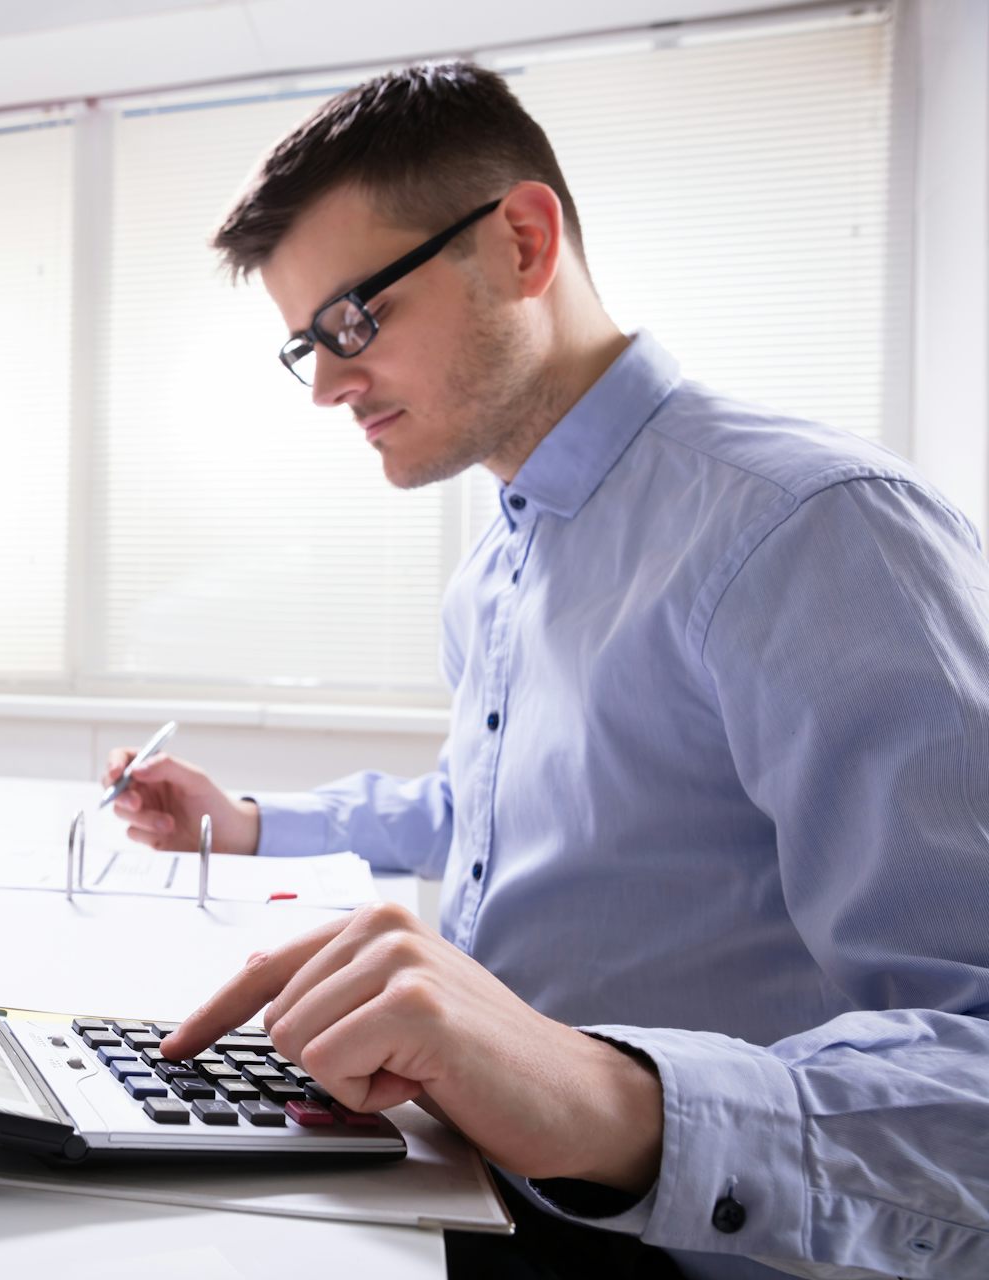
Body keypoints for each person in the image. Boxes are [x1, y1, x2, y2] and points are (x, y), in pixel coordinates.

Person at [102, 61, 989, 1280]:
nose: (326, 384)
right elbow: (493, 811)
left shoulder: (813, 531)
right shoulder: (502, 559)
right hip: (483, 1179)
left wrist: (611, 1100)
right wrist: (249, 822)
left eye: (352, 320)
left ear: (521, 241)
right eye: (304, 342)